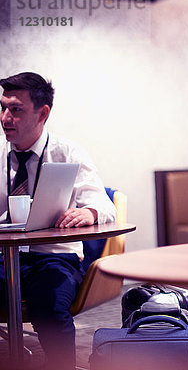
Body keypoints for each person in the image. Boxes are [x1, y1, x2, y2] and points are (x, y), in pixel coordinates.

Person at [0, 72, 116, 370]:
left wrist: (88, 213)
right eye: (2, 108)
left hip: (54, 257)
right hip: (5, 256)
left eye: (16, 110)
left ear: (43, 113)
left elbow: (103, 206)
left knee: (49, 307)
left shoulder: (67, 152)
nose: (5, 118)